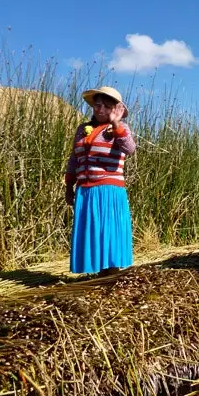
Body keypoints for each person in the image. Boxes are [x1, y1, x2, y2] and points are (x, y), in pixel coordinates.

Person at [65, 86, 136, 274]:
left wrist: (116, 124)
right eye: (97, 105)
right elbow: (74, 158)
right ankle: (98, 274)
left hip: (108, 190)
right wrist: (69, 185)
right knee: (92, 234)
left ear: (116, 109)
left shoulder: (120, 129)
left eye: (107, 106)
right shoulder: (82, 129)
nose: (101, 109)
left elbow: (129, 148)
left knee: (108, 233)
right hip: (85, 190)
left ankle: (111, 275)